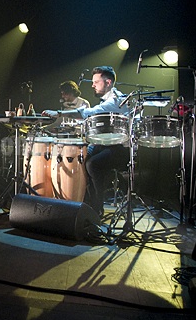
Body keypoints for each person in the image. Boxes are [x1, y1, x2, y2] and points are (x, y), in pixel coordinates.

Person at [42, 66, 130, 216]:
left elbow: (89, 113)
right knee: (80, 159)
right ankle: (82, 202)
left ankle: (96, 208)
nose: (92, 85)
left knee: (92, 164)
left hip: (120, 148)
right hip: (105, 144)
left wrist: (59, 113)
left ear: (108, 82)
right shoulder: (107, 100)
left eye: (96, 82)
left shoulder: (117, 101)